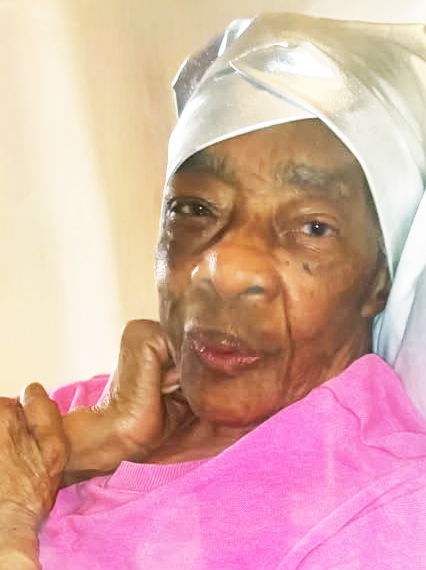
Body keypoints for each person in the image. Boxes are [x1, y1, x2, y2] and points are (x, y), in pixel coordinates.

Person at [2, 12, 426, 569]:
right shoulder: (93, 410)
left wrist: (12, 523)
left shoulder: (384, 514)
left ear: (379, 278)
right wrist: (80, 446)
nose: (223, 270)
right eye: (195, 209)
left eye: (312, 227)